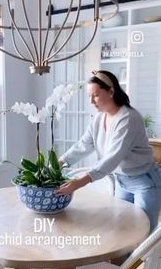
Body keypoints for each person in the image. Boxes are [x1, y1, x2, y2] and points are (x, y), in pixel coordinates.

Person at [57, 70, 161, 232]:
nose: (91, 101)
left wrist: (78, 183)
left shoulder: (129, 118)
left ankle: (150, 259)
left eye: (96, 95)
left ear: (111, 91)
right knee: (122, 231)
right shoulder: (99, 118)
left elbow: (112, 158)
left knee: (143, 234)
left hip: (144, 182)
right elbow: (84, 144)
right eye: (89, 96)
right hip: (122, 181)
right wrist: (61, 161)